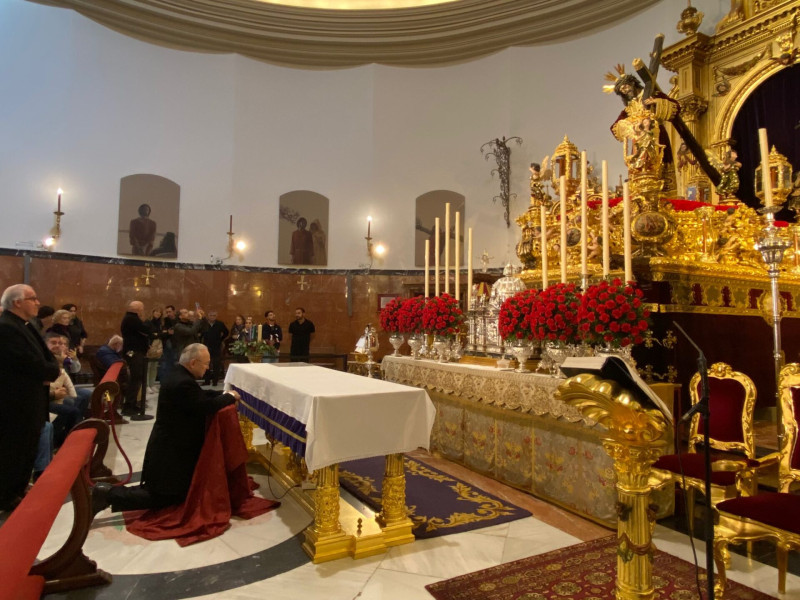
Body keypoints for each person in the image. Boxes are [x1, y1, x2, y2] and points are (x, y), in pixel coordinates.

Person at [93, 344, 240, 513]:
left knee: (167, 492)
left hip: (169, 445)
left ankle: (109, 493)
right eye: (205, 364)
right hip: (171, 452)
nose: (208, 368)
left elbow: (198, 396)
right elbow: (204, 406)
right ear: (193, 363)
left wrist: (222, 394)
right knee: (166, 497)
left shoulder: (179, 375)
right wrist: (228, 397)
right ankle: (107, 494)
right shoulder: (183, 382)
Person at [0, 284, 60, 512]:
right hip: (16, 404)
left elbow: (49, 360)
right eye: (32, 298)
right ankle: (7, 495)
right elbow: (30, 364)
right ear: (17, 302)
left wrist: (49, 370)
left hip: (31, 400)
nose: (37, 303)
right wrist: (47, 371)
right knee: (14, 450)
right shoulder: (6, 327)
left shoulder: (27, 325)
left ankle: (17, 489)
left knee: (27, 449)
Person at [45, 332, 84, 447]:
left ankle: (68, 436)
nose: (58, 345)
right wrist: (54, 394)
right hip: (47, 398)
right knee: (71, 405)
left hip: (61, 391)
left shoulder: (63, 358)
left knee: (79, 398)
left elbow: (75, 371)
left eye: (61, 343)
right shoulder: (45, 359)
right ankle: (66, 441)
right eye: (53, 343)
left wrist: (75, 359)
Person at [121, 300, 151, 416]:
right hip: (134, 352)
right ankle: (129, 406)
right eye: (142, 308)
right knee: (136, 378)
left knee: (137, 378)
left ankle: (132, 404)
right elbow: (146, 330)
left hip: (136, 351)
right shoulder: (132, 319)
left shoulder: (130, 318)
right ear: (138, 309)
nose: (143, 311)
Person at [202, 310, 229, 386]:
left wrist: (221, 339)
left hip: (216, 346)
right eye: (211, 315)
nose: (212, 317)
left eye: (214, 315)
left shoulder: (220, 324)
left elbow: (226, 332)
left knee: (216, 364)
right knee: (206, 364)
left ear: (216, 316)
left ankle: (215, 381)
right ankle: (207, 381)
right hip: (206, 346)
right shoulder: (205, 324)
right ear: (208, 316)